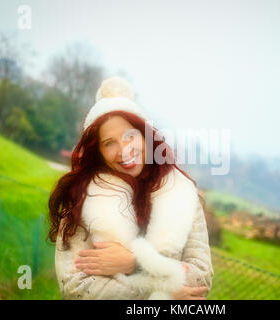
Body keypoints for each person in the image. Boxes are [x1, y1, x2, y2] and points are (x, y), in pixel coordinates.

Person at [48, 76, 214, 299]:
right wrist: (158, 293)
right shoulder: (82, 198)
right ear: (97, 150)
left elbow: (199, 278)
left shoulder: (181, 194)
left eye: (130, 136)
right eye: (109, 143)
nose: (124, 150)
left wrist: (134, 263)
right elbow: (75, 287)